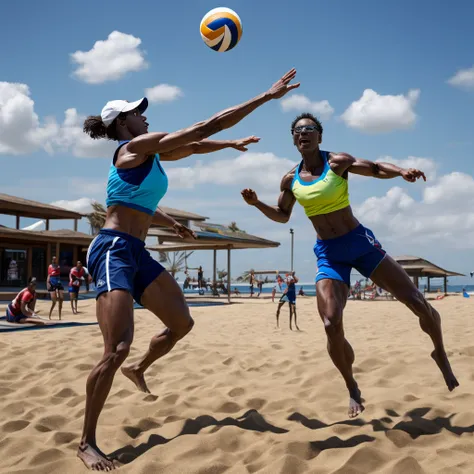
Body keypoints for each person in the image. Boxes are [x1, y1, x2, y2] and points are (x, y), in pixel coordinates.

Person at [78, 68, 299, 471]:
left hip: (137, 251)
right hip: (111, 250)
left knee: (181, 323)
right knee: (116, 347)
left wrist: (227, 145)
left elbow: (193, 148)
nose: (144, 115)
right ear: (122, 124)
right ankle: (87, 442)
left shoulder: (147, 156)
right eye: (136, 112)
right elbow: (202, 127)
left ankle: (139, 368)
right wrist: (266, 97)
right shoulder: (135, 146)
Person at [242, 112, 458, 418]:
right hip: (329, 253)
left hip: (360, 244)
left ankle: (440, 352)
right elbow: (282, 214)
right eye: (298, 130)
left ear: (319, 136)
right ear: (293, 139)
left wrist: (400, 172)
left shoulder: (337, 163)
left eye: (310, 129)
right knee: (331, 323)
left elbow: (374, 168)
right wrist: (256, 204)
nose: (303, 133)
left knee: (417, 301)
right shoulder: (290, 179)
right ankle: (351, 386)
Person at [47, 256, 64, 320]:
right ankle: (50, 314)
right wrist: (48, 283)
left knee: (61, 299)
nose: (54, 260)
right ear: (52, 260)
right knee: (54, 301)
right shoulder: (50, 266)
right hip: (52, 281)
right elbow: (49, 275)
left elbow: (58, 275)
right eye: (53, 259)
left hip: (58, 281)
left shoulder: (58, 266)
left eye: (55, 259)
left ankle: (60, 315)